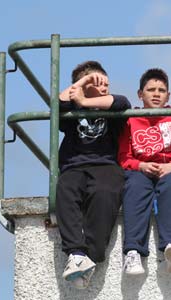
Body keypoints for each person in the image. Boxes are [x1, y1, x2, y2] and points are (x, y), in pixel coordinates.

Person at [56, 61, 131, 289]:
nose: (105, 86)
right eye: (98, 83)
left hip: (106, 165)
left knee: (104, 194)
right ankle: (76, 253)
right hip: (73, 166)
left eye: (106, 82)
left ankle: (91, 256)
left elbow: (122, 102)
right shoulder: (71, 110)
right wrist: (82, 83)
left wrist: (85, 100)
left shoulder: (111, 108)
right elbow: (58, 103)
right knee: (65, 190)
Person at [118, 68, 171, 275]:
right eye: (150, 89)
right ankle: (133, 251)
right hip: (140, 170)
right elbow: (123, 157)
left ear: (168, 95)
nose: (156, 94)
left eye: (161, 90)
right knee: (134, 187)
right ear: (140, 94)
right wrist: (140, 166)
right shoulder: (130, 120)